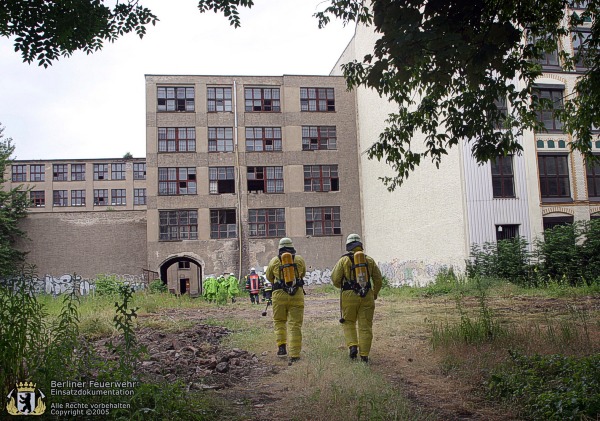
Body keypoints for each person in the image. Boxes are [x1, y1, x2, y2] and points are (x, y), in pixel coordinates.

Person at [331, 233, 383, 363]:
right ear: (360, 245)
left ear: (349, 246)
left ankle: (353, 346)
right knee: (365, 326)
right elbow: (378, 279)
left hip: (349, 295)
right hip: (367, 296)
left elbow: (335, 280)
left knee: (348, 322)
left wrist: (343, 286)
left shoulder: (344, 260)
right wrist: (374, 293)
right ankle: (364, 355)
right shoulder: (369, 260)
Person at [266, 237, 306, 364]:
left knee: (279, 321)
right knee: (295, 324)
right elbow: (303, 274)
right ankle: (295, 354)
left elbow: (269, 277)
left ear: (280, 248)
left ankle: (282, 348)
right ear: (292, 247)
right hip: (297, 295)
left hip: (279, 295)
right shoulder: (299, 260)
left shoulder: (274, 261)